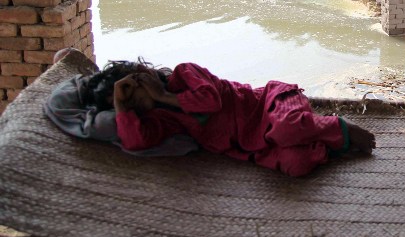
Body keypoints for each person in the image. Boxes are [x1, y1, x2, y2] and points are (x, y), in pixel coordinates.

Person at [79, 58, 376, 177]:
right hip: (256, 145)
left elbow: (210, 101)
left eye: (132, 92)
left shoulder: (185, 73)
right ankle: (322, 139)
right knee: (295, 165)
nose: (138, 104)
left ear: (142, 75)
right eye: (129, 105)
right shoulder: (162, 119)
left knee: (286, 128)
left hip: (271, 104)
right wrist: (121, 107)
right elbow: (135, 141)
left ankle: (339, 126)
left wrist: (163, 96)